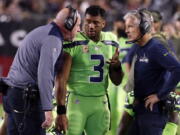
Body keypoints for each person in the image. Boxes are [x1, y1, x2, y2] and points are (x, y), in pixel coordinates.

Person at [1, 6, 81, 135]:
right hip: (27, 100)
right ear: (69, 24)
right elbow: (44, 75)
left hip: (13, 94)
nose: (79, 29)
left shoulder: (43, 31)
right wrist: (48, 110)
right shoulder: (53, 39)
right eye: (78, 25)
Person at [55, 5, 124, 135]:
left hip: (100, 102)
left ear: (103, 24)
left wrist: (116, 66)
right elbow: (61, 78)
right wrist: (60, 110)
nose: (91, 26)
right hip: (77, 101)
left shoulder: (111, 41)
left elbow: (117, 81)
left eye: (95, 23)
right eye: (88, 22)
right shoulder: (74, 40)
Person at [122, 9, 180, 135]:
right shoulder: (140, 46)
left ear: (144, 26)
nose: (126, 30)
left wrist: (160, 95)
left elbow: (177, 69)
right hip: (139, 109)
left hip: (153, 112)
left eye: (130, 26)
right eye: (126, 26)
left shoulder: (155, 47)